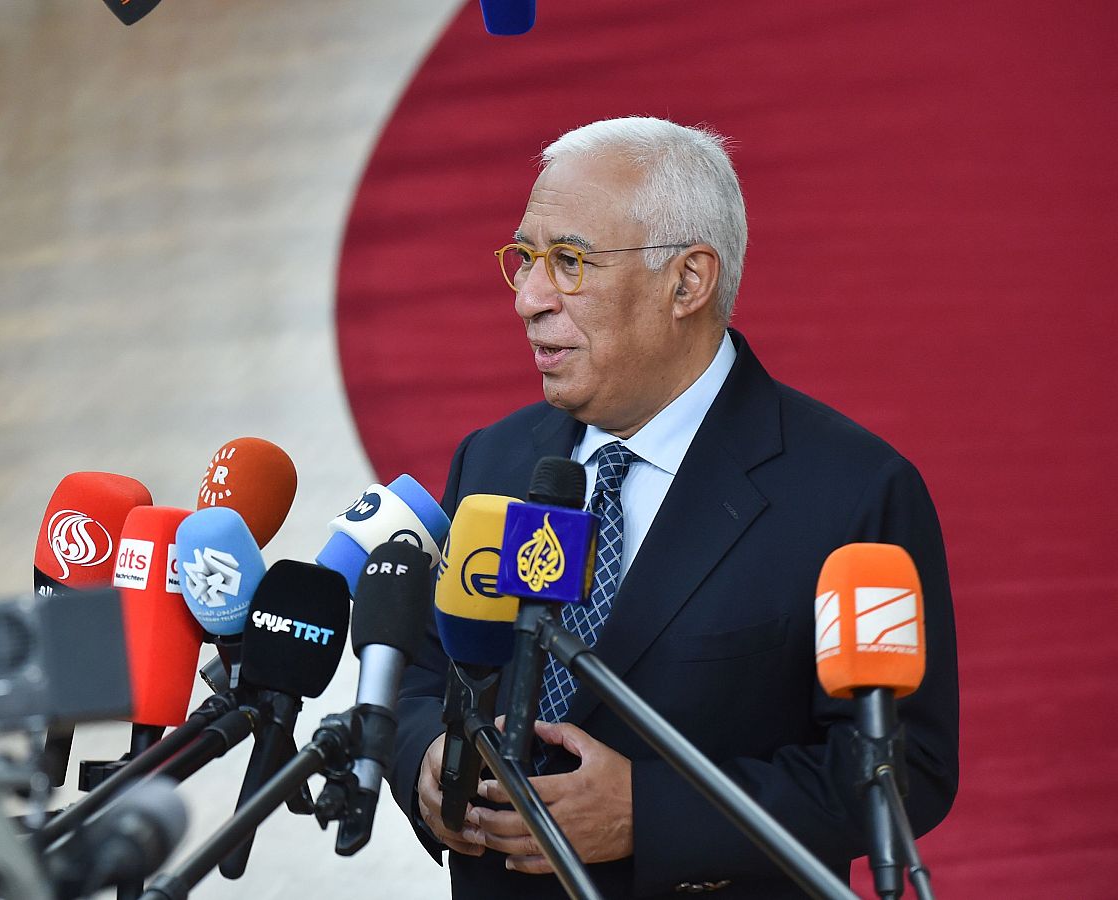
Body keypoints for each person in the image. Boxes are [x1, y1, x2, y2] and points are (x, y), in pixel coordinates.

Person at [387, 117, 958, 898]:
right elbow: (420, 673)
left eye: (570, 261)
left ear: (687, 282)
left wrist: (653, 813)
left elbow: (903, 769)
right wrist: (425, 762)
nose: (527, 297)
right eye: (524, 258)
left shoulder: (850, 492)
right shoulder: (493, 460)